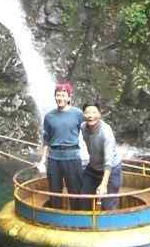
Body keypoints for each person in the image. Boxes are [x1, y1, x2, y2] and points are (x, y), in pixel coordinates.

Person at [38, 82, 84, 210]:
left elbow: (88, 132)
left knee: (76, 191)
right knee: (54, 191)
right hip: (54, 159)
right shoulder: (49, 117)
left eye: (63, 95)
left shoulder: (78, 114)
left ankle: (78, 218)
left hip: (72, 157)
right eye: (58, 95)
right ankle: (56, 219)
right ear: (55, 97)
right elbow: (46, 140)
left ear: (69, 97)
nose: (60, 98)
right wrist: (42, 160)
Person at [80, 103, 122, 210]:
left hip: (111, 169)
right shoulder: (83, 127)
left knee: (108, 205)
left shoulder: (105, 132)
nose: (90, 116)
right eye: (87, 113)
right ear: (83, 115)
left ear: (100, 114)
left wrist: (103, 184)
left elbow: (108, 161)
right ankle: (86, 225)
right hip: (93, 167)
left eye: (94, 112)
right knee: (84, 198)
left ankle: (110, 224)